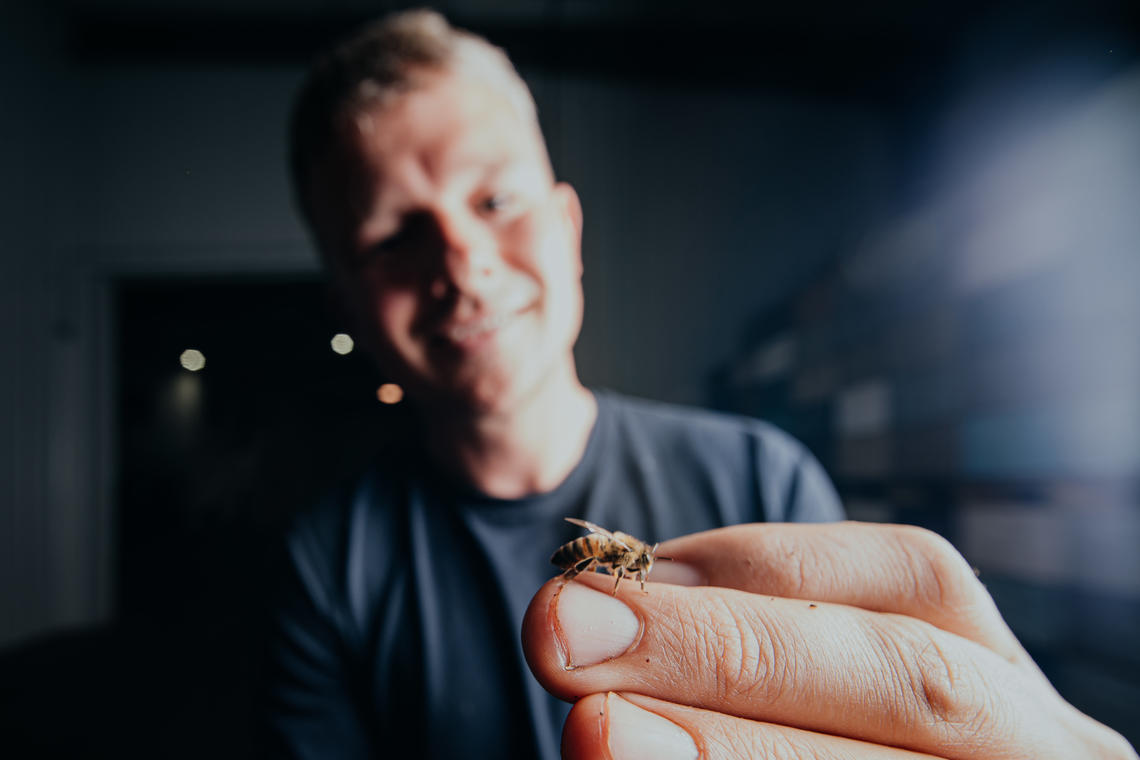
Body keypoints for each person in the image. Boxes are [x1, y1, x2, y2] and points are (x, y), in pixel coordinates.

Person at [267, 10, 1137, 760]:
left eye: (495, 201)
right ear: (346, 297)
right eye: (393, 238)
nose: (461, 263)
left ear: (568, 229)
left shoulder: (765, 478)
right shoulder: (328, 562)